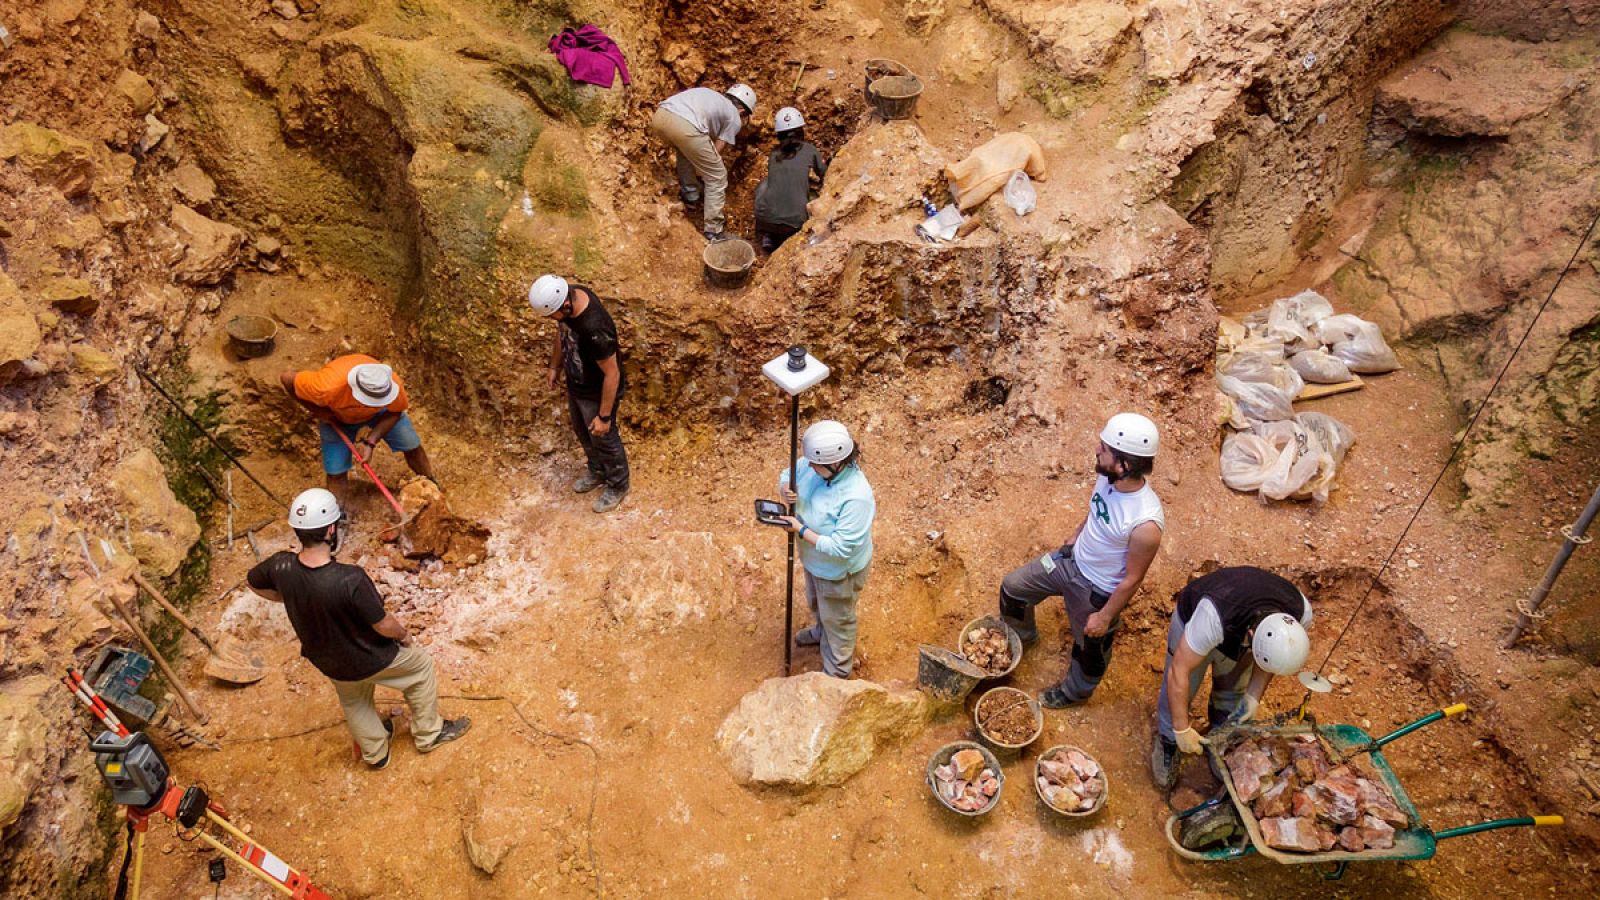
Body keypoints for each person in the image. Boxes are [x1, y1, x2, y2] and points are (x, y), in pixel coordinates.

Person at [247, 488, 470, 769]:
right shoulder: (349, 579)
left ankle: (375, 754)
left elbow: (253, 582)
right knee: (420, 668)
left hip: (328, 661)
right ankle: (430, 733)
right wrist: (404, 636)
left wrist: (285, 596)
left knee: (354, 700)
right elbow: (382, 623)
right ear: (331, 529)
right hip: (370, 657)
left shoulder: (280, 566)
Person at [998, 413, 1164, 708]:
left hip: (1096, 590)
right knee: (1013, 589)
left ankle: (1074, 693)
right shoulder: (1107, 475)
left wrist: (1103, 616)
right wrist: (1076, 535)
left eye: (1104, 449)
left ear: (1125, 464)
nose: (1097, 452)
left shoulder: (1145, 524)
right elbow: (1097, 510)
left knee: (1090, 647)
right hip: (1070, 561)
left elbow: (1133, 579)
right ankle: (1023, 637)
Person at [1152, 566, 1312, 788]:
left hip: (1239, 625)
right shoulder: (1212, 618)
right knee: (1184, 688)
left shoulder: (1300, 613)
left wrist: (1253, 696)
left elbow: (1267, 661)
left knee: (1234, 690)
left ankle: (1223, 738)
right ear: (1251, 636)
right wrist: (1181, 728)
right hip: (1197, 619)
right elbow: (1179, 671)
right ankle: (1168, 741)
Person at [776, 420, 875, 678]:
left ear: (836, 463)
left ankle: (837, 671)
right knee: (816, 602)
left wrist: (800, 530)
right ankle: (821, 632)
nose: (809, 466)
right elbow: (790, 473)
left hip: (838, 572)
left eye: (815, 463)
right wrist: (786, 490)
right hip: (815, 562)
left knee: (838, 620)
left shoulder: (856, 497)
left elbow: (841, 547)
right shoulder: (816, 465)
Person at [279, 354, 437, 514]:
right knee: (336, 473)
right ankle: (335, 515)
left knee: (412, 446)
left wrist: (371, 442)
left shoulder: (391, 385)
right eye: (373, 401)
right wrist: (317, 410)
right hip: (337, 416)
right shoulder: (326, 387)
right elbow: (287, 378)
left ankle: (431, 487)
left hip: (382, 415)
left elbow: (395, 412)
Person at [528, 274, 629, 513]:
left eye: (552, 314)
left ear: (565, 305)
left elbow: (612, 374)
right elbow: (562, 333)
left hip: (597, 391)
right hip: (578, 384)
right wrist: (555, 365)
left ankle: (618, 484)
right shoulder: (568, 298)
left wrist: (604, 417)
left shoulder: (595, 329)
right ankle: (597, 470)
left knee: (603, 437)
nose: (551, 319)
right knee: (583, 431)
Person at [649, 83, 757, 241]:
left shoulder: (711, 95)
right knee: (718, 175)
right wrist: (706, 170)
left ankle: (691, 196)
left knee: (685, 152)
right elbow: (717, 148)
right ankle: (714, 230)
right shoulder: (735, 116)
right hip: (686, 126)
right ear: (742, 110)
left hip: (661, 116)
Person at [754, 106, 826, 254]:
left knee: (764, 185)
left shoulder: (774, 154)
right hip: (794, 225)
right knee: (814, 196)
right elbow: (825, 176)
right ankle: (788, 237)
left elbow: (780, 179)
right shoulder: (810, 150)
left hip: (765, 220)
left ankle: (769, 236)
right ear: (801, 131)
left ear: (779, 135)